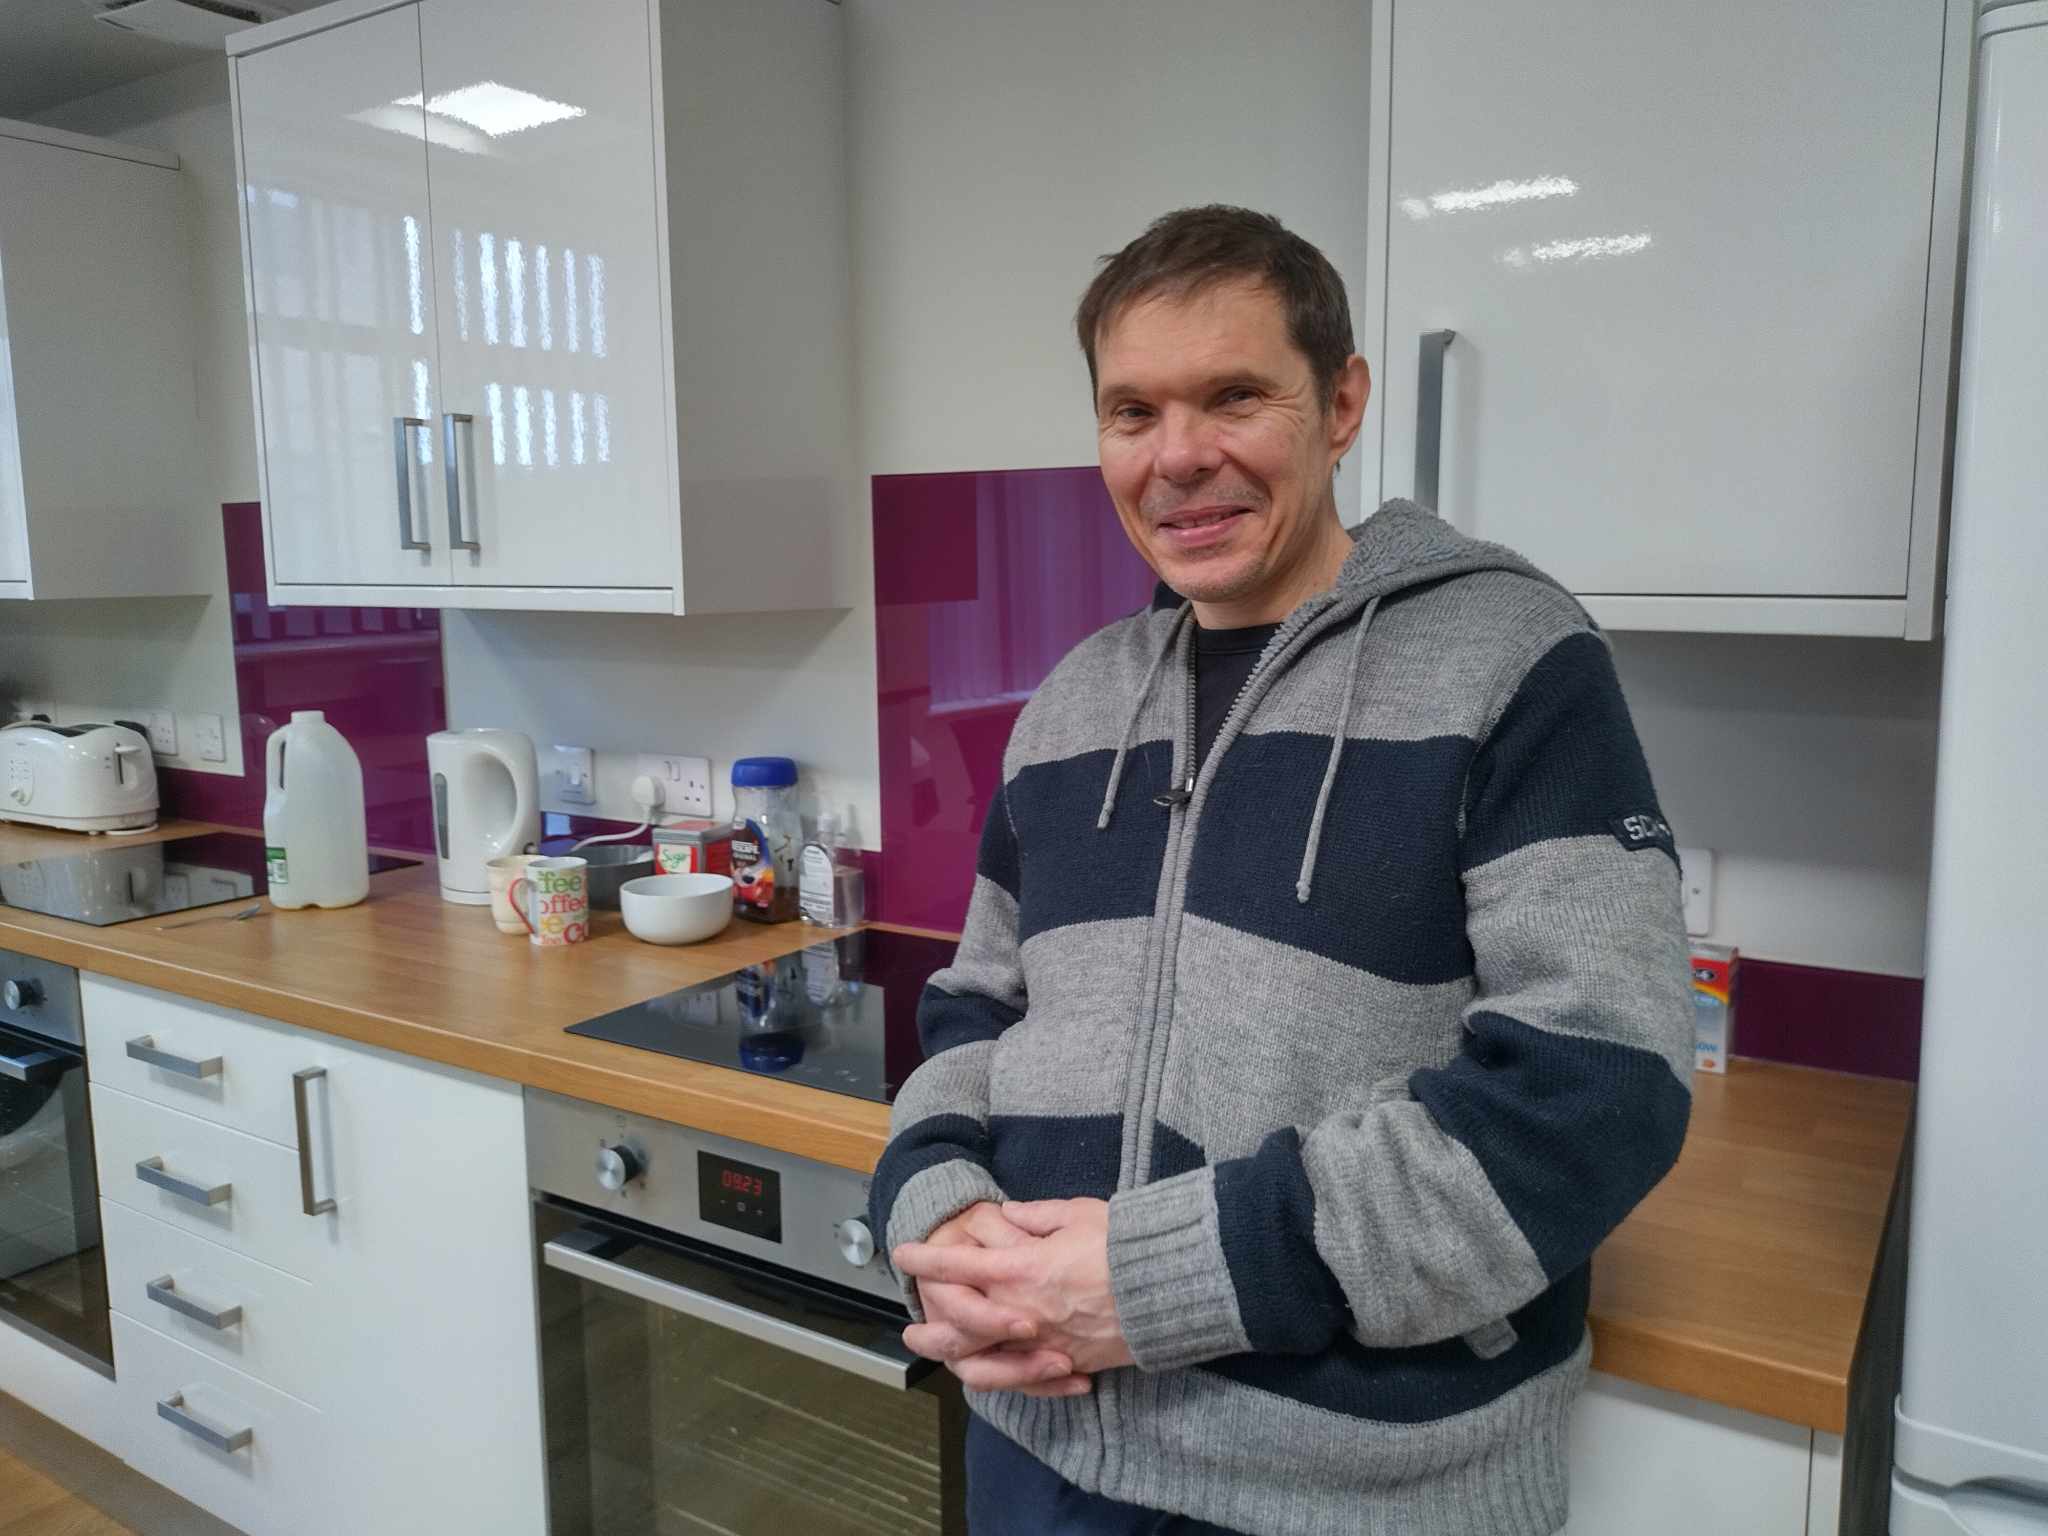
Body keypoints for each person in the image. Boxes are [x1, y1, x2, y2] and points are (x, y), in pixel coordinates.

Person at [867, 205, 1693, 1536]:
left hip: (1341, 1495)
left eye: (1233, 396)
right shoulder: (1072, 703)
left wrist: (1150, 1283)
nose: (1179, 458)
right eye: (1132, 413)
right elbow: (977, 1014)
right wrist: (940, 1216)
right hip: (1037, 1448)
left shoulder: (1511, 662)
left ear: (1343, 402)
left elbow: (1594, 1090)